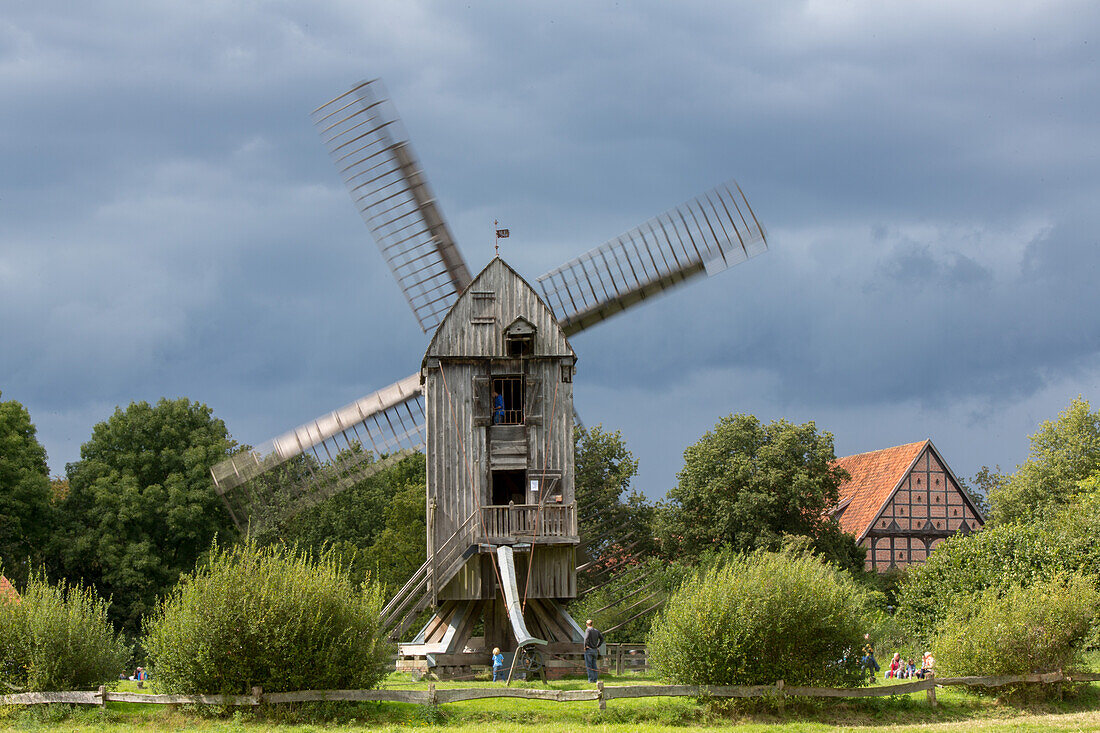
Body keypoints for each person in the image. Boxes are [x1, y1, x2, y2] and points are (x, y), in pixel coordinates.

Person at [583, 619, 604, 683]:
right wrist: (598, 645)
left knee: (589, 665)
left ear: (587, 624)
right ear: (592, 624)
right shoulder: (596, 631)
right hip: (595, 650)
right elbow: (602, 639)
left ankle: (591, 679)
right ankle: (595, 679)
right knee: (594, 665)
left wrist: (584, 646)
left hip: (589, 649)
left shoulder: (588, 630)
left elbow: (586, 638)